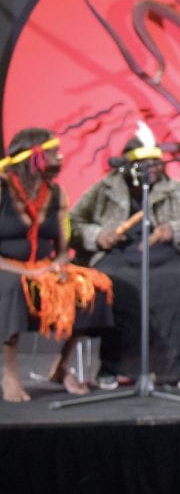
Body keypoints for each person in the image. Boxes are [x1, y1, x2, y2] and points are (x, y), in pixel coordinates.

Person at [70, 125, 180, 390]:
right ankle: (114, 366)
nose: (153, 168)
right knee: (116, 285)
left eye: (157, 163)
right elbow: (72, 223)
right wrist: (98, 235)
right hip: (117, 254)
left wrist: (174, 230)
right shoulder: (104, 189)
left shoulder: (177, 190)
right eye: (146, 163)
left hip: (167, 253)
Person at [1, 128, 110, 402]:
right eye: (51, 152)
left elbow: (64, 248)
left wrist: (55, 267)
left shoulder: (57, 194)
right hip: (8, 268)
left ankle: (61, 366)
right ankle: (9, 372)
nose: (58, 157)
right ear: (33, 157)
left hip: (44, 267)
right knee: (15, 288)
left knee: (91, 287)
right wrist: (28, 271)